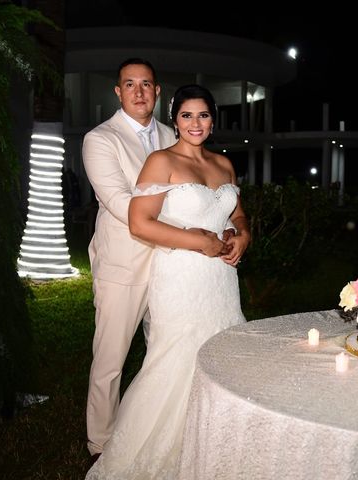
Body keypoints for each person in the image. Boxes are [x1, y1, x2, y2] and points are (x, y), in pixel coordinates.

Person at [86, 84, 249, 479]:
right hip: (181, 276)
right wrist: (198, 242)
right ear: (174, 119)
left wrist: (242, 236)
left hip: (222, 281)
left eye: (204, 115)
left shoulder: (224, 165)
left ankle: (215, 442)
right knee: (175, 360)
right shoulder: (161, 161)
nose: (196, 123)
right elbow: (140, 222)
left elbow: (238, 215)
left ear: (213, 120)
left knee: (222, 356)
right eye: (187, 115)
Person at [82, 58, 177, 458]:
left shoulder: (175, 134)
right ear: (118, 92)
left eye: (146, 84)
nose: (139, 92)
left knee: (165, 350)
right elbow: (120, 202)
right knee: (110, 360)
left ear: (157, 91)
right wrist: (184, 232)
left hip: (173, 265)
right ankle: (101, 444)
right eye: (129, 84)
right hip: (124, 263)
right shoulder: (100, 139)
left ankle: (154, 431)